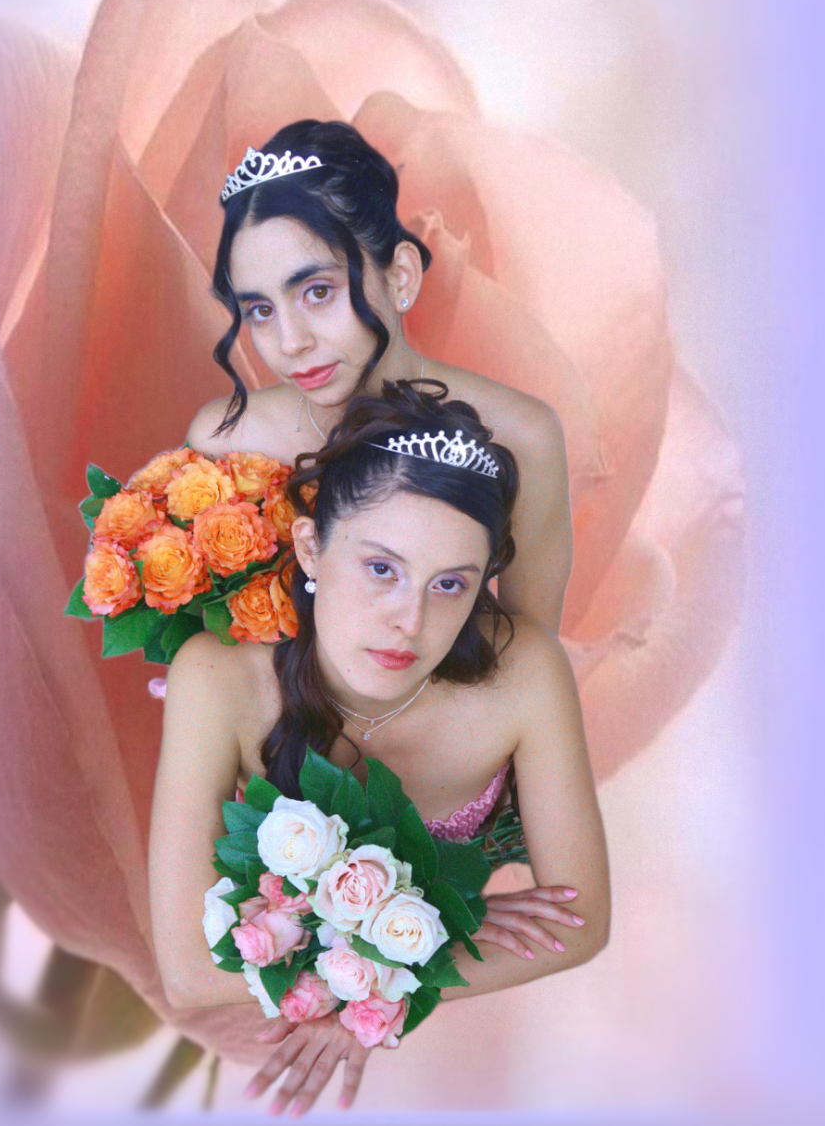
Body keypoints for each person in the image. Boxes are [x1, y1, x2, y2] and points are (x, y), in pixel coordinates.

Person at [151, 382, 609, 1116]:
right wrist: (388, 976)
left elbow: (579, 927)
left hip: (480, 1015)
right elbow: (186, 972)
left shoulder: (523, 675)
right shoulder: (220, 679)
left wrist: (376, 997)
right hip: (285, 1034)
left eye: (451, 584)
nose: (410, 620)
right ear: (310, 545)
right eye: (381, 568)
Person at [188, 121, 573, 632]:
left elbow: (533, 662)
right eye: (259, 309)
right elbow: (206, 653)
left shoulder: (522, 438)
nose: (290, 342)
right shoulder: (230, 442)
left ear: (401, 275)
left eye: (318, 292)